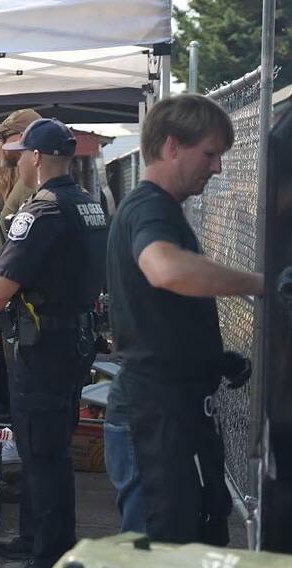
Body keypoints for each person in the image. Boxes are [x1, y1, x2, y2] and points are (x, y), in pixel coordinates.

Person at [104, 94, 259, 545]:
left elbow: (156, 307)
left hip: (169, 404)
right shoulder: (150, 207)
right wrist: (261, 281)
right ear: (172, 146)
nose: (217, 168)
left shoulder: (158, 208)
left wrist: (208, 357)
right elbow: (165, 269)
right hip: (153, 412)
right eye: (209, 154)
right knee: (159, 544)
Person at [0, 119, 107, 568]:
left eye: (20, 155)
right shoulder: (89, 204)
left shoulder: (42, 209)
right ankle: (34, 536)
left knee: (42, 450)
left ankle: (50, 550)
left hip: (42, 343)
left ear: (36, 158)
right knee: (43, 445)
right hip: (75, 335)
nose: (17, 162)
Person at [0, 109, 43, 258]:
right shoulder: (26, 180)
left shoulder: (31, 182)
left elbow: (27, 245)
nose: (1, 144)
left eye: (4, 136)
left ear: (22, 136)